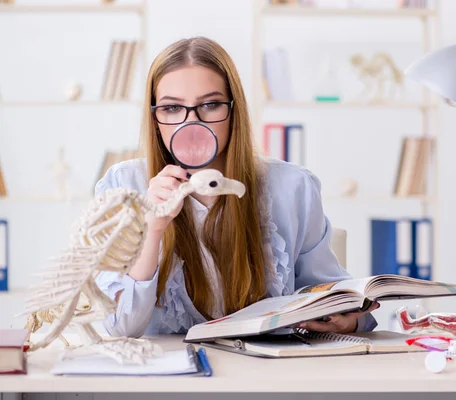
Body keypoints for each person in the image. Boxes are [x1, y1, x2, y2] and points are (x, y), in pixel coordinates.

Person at [94, 36, 378, 338]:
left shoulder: (292, 187)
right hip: (167, 378)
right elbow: (119, 329)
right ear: (155, 119)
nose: (192, 123)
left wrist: (349, 319)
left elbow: (337, 296)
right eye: (172, 108)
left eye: (211, 105)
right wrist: (153, 230)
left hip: (265, 372)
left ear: (233, 111)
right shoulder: (123, 187)